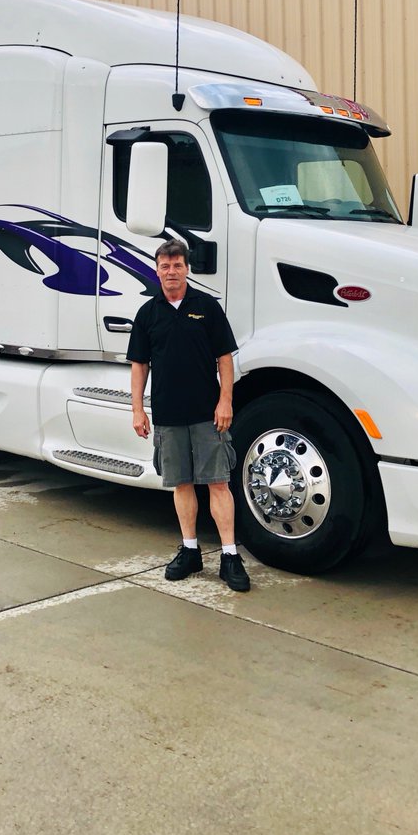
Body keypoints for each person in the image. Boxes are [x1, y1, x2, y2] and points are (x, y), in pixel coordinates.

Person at [127, 239, 250, 592]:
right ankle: (190, 550)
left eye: (177, 265)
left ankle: (229, 556)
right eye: (165, 266)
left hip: (207, 414)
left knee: (218, 483)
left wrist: (225, 401)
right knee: (181, 483)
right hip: (168, 414)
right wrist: (137, 409)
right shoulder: (147, 313)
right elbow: (139, 365)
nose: (171, 272)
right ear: (157, 270)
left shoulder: (206, 307)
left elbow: (224, 358)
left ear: (187, 269)